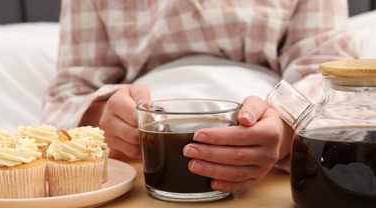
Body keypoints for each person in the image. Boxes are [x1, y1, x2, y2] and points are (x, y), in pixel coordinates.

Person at [41, 0, 360, 193]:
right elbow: (69, 94)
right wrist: (105, 123)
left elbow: (333, 76)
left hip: (270, 156)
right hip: (138, 161)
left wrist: (283, 131)